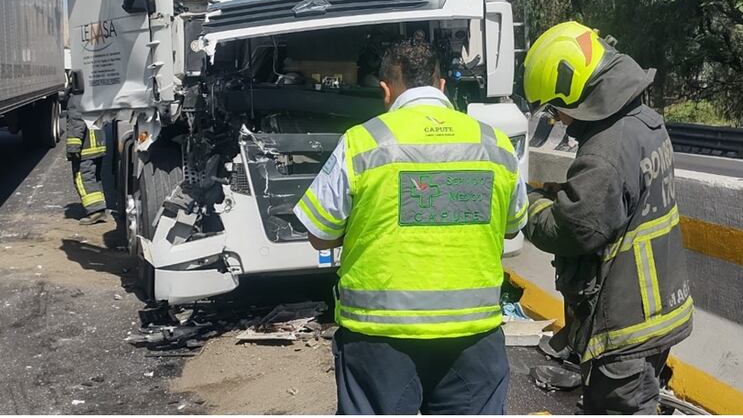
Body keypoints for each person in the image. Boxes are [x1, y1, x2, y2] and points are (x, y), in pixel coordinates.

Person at [293, 37, 529, 415]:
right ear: (441, 86)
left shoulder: (362, 143)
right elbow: (513, 227)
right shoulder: (494, 144)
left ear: (386, 91)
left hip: (379, 341)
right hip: (473, 338)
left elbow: (320, 235)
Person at [520, 21, 691, 415]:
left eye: (555, 108)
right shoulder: (645, 122)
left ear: (573, 91)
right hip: (657, 313)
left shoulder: (605, 151)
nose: (558, 120)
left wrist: (528, 205)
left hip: (626, 326)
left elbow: (574, 228)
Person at [65, 96, 108, 225]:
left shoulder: (75, 100)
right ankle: (99, 206)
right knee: (94, 177)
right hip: (99, 145)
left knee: (82, 177)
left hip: (86, 147)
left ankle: (95, 211)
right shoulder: (94, 94)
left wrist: (73, 147)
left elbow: (76, 123)